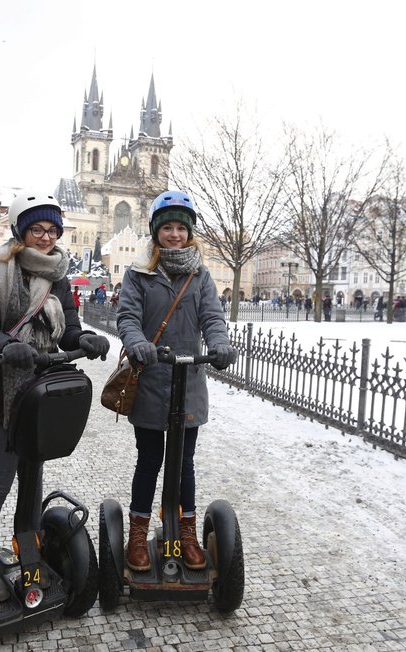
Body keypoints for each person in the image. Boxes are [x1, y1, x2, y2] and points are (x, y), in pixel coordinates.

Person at [0, 189, 110, 602]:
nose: (45, 237)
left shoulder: (58, 274)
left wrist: (85, 336)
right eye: (37, 230)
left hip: (42, 390)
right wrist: (3, 347)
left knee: (34, 476)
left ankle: (27, 550)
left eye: (52, 230)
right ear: (20, 231)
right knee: (0, 478)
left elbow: (67, 328)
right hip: (5, 390)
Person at [116, 190, 236, 573]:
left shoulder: (200, 277)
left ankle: (186, 533)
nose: (173, 235)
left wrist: (218, 343)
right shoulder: (138, 273)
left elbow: (213, 317)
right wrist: (135, 342)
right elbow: (128, 317)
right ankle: (138, 533)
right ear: (155, 231)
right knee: (149, 460)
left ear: (189, 233)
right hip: (151, 379)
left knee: (184, 462)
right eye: (166, 227)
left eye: (180, 229)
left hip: (188, 380)